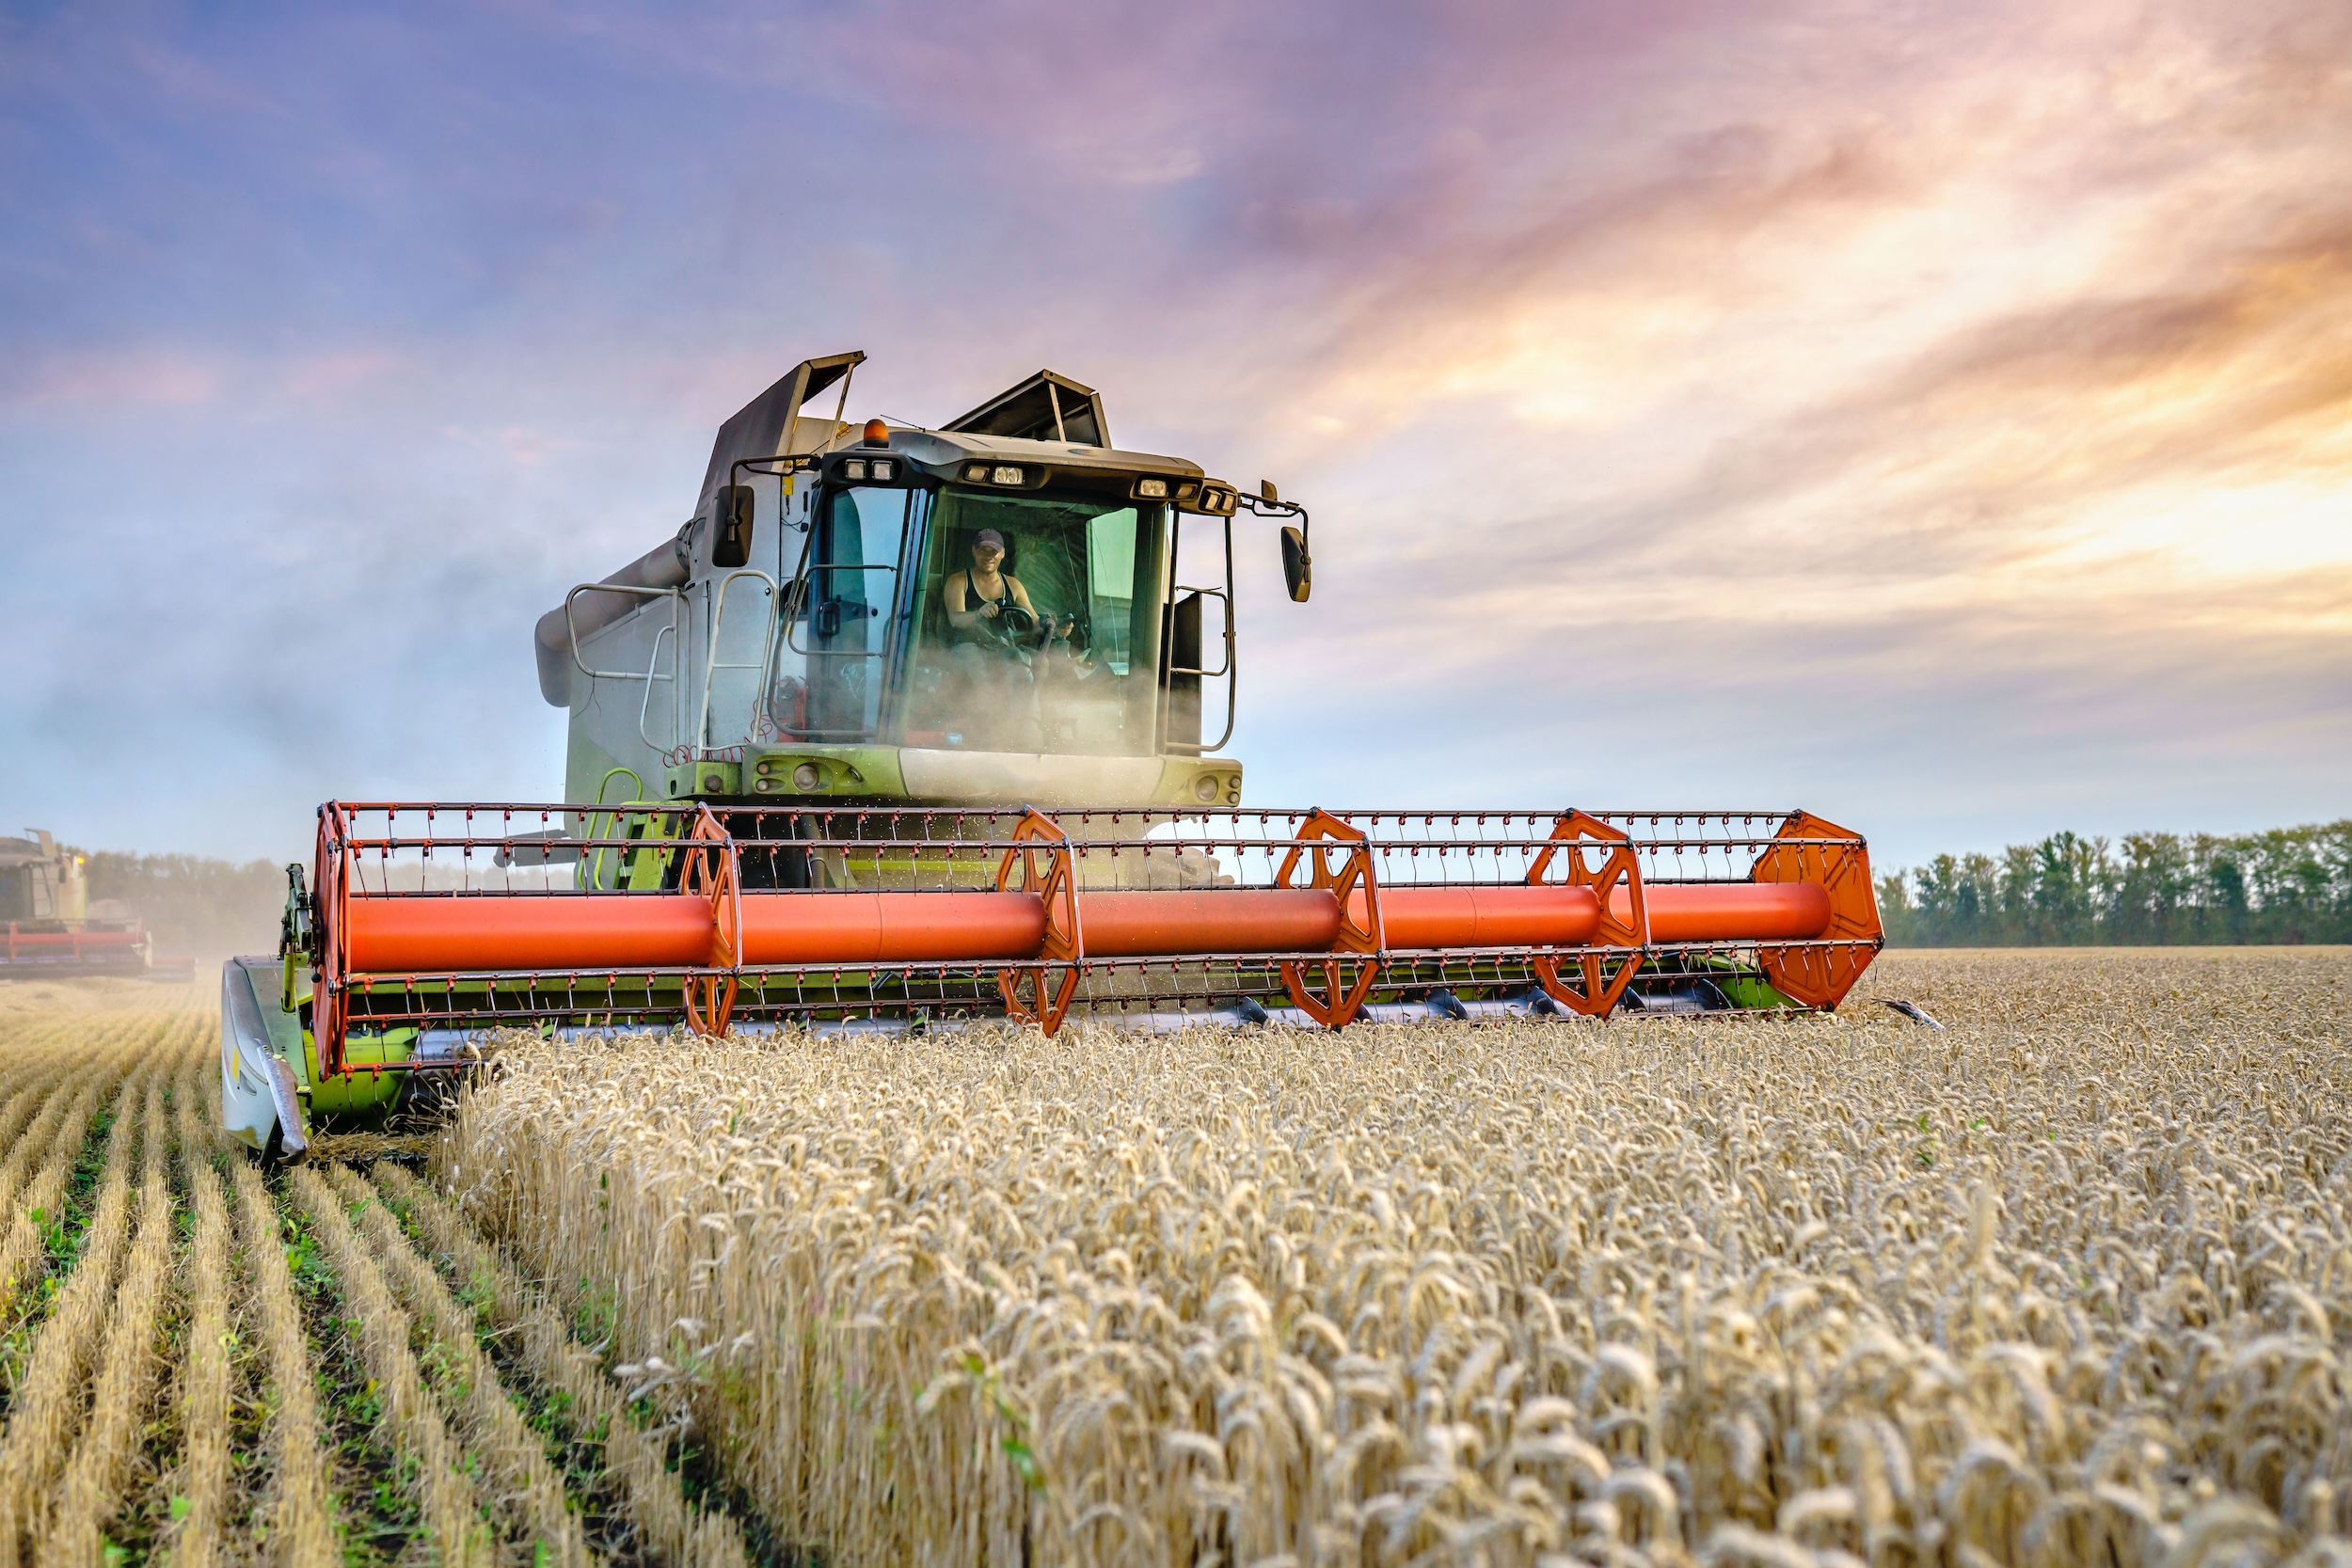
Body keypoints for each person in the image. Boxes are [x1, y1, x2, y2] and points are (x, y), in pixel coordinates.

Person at [944, 530, 1041, 642]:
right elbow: (956, 620)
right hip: (968, 647)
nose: (988, 556)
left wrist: (1056, 628)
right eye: (983, 550)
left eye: (994, 551)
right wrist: (979, 613)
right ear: (974, 551)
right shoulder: (958, 581)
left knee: (1038, 659)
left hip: (1006, 647)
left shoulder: (1013, 585)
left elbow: (1034, 622)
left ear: (1002, 554)